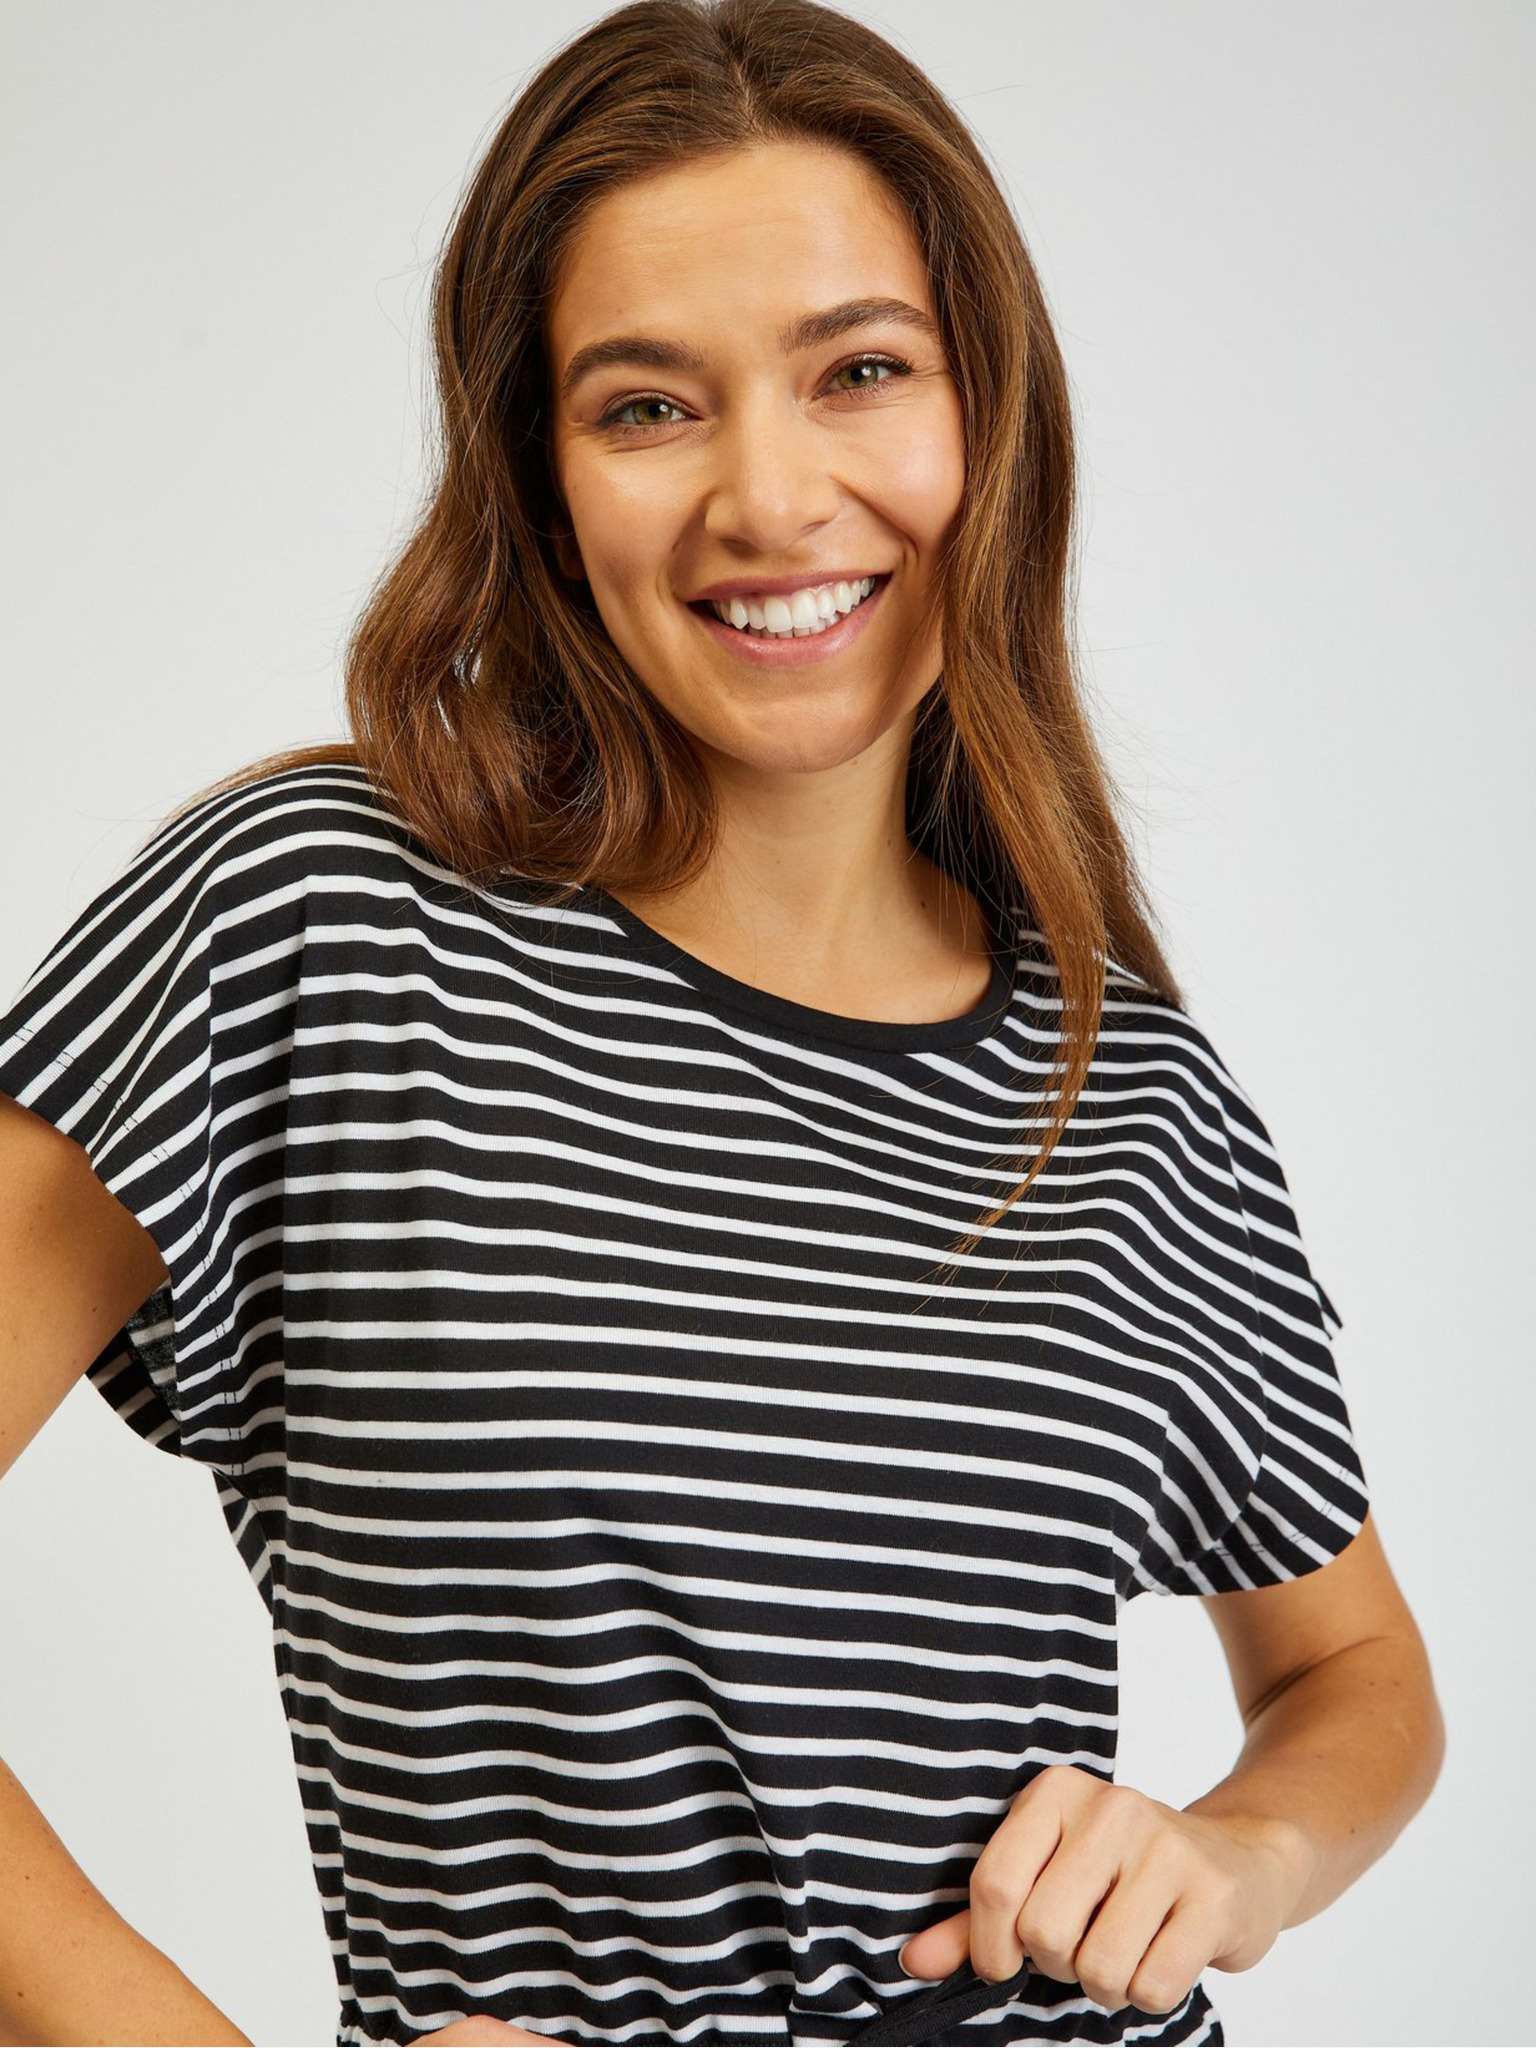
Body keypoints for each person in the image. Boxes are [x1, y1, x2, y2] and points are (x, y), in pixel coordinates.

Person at [0, 1, 1445, 2044]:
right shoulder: (309, 926)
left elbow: (1356, 1676)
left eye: (861, 370)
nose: (771, 498)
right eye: (649, 405)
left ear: (988, 421)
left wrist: (1244, 1854)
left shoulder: (1129, 1091)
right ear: (543, 480)